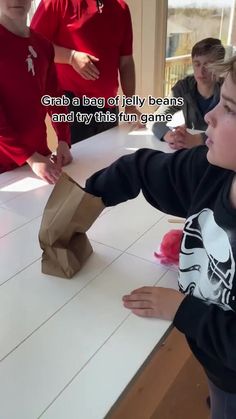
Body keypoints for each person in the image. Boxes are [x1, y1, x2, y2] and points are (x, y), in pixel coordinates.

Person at [84, 55, 236, 419]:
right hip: (213, 355)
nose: (210, 116)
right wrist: (88, 199)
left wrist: (181, 308)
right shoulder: (212, 170)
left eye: (229, 108)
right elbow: (142, 167)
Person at [31, 0, 142, 143]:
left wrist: (130, 105)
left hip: (109, 105)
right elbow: (34, 44)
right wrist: (71, 57)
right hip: (72, 104)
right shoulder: (56, 2)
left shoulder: (121, 7)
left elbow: (126, 62)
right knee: (80, 163)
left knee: (108, 160)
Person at [0, 0, 72, 183]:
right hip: (6, 168)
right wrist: (30, 157)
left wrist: (64, 140)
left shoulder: (43, 45)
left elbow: (55, 96)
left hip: (40, 160)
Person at [150, 38, 225, 150]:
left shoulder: (230, 89)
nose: (201, 71)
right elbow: (156, 118)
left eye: (208, 65)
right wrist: (169, 136)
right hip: (190, 153)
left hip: (222, 153)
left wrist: (199, 139)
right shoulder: (183, 87)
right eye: (197, 64)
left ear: (220, 66)